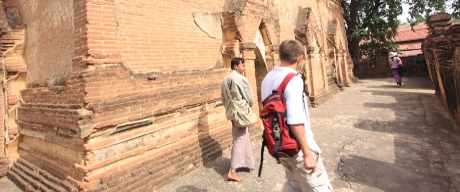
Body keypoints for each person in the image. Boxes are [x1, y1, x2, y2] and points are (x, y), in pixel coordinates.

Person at [261, 40, 333, 191]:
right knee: (318, 186)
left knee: (294, 183)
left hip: (278, 143)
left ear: (280, 55)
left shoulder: (267, 78)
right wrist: (307, 153)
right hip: (297, 146)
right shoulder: (293, 79)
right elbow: (295, 120)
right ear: (300, 58)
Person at [220, 57, 254, 182]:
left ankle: (245, 162)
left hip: (232, 113)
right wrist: (246, 108)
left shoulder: (224, 80)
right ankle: (232, 171)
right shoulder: (240, 78)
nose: (243, 68)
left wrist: (230, 109)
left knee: (243, 136)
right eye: (242, 65)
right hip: (241, 112)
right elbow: (249, 97)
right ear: (235, 66)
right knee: (239, 139)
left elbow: (223, 99)